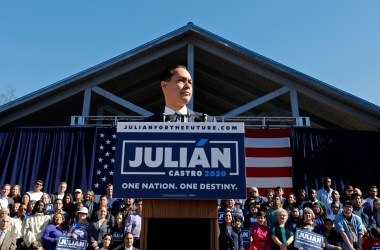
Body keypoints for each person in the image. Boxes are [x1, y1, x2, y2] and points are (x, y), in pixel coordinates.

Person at [143, 65, 216, 123]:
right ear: (164, 86)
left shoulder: (208, 122)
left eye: (190, 82)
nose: (188, 86)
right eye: (181, 80)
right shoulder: (144, 126)